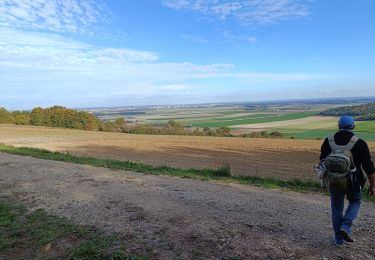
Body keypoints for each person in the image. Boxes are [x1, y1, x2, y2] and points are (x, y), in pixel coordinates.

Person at [320, 115, 375, 246]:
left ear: (339, 126)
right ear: (353, 126)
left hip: (334, 182)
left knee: (336, 209)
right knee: (355, 201)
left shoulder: (328, 141)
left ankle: (338, 240)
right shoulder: (360, 143)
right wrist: (373, 185)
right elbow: (369, 168)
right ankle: (346, 225)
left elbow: (322, 162)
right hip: (354, 181)